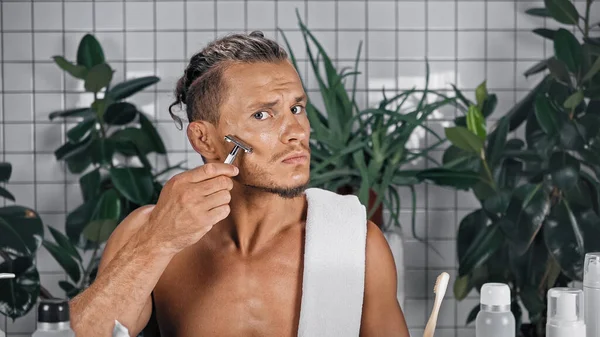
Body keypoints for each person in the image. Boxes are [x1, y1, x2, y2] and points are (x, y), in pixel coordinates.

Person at [69, 31, 409, 337]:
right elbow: (84, 335)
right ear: (204, 140)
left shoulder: (356, 245)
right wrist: (158, 240)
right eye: (263, 114)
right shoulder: (148, 234)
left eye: (297, 108)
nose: (297, 132)